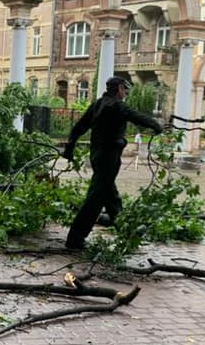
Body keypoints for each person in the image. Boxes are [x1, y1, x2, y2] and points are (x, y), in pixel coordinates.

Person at [61, 76, 163, 249]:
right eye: (125, 89)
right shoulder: (118, 106)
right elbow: (137, 117)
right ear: (119, 89)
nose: (126, 93)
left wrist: (69, 149)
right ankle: (75, 238)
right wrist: (157, 126)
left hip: (96, 155)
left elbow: (79, 127)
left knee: (109, 192)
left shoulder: (98, 104)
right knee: (95, 197)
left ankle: (123, 226)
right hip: (109, 157)